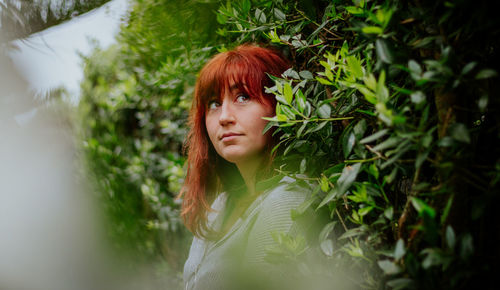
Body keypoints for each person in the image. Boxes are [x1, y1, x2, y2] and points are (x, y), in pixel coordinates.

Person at [180, 44, 323, 290]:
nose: (224, 116)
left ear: (279, 105)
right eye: (214, 103)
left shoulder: (286, 200)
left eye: (243, 97)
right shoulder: (221, 204)